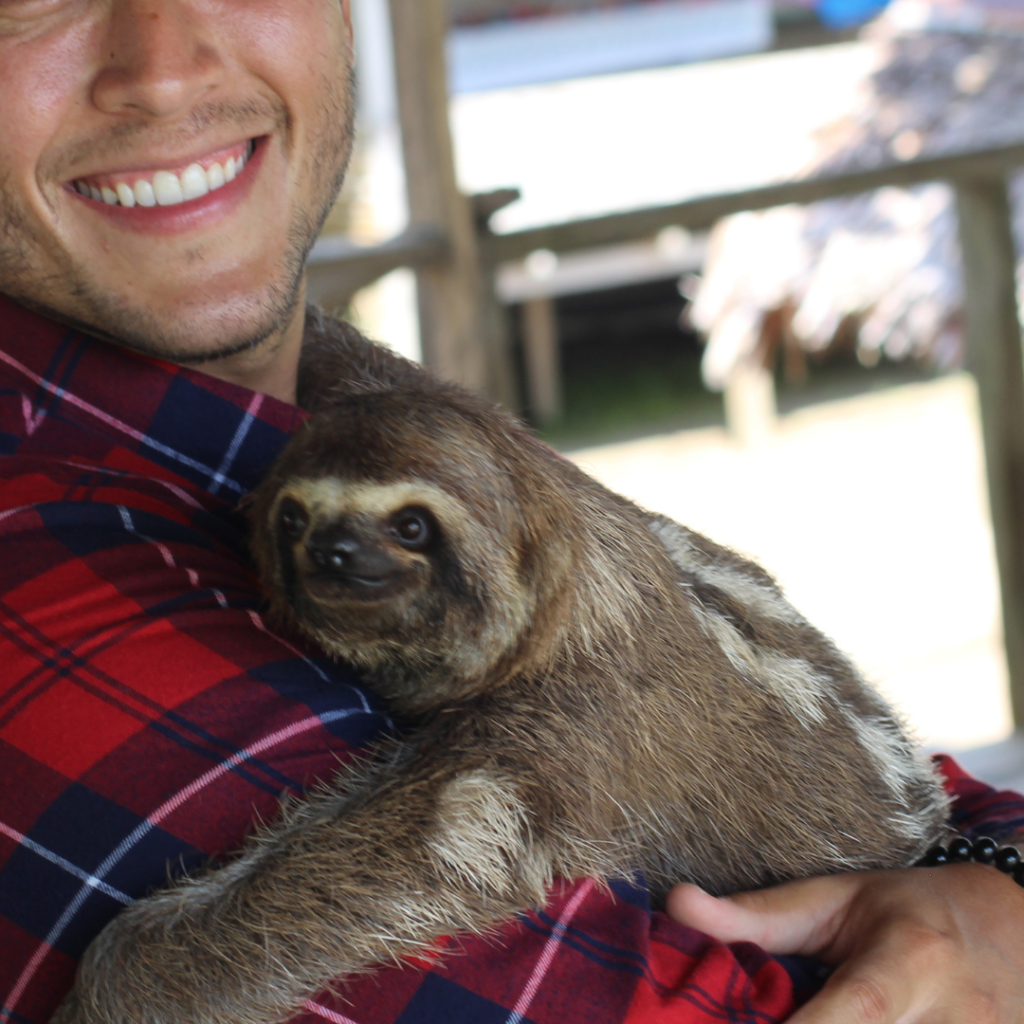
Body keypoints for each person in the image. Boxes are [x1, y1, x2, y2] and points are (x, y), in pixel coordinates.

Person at [0, 2, 1022, 1022]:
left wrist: (986, 875)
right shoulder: (52, 570)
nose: (164, 70)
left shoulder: (360, 425)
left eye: (408, 530)